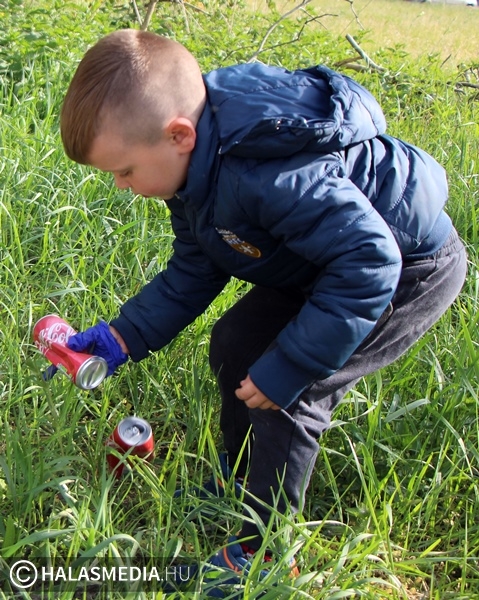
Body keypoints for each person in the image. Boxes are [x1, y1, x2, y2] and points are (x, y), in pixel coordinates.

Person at [60, 28, 467, 587]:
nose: (121, 186)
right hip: (316, 264)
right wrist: (123, 335)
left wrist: (293, 364)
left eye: (124, 171)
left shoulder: (267, 174)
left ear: (179, 134)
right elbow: (196, 268)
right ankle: (243, 480)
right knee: (235, 344)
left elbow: (369, 262)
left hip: (400, 272)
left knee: (286, 391)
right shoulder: (191, 171)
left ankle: (267, 553)